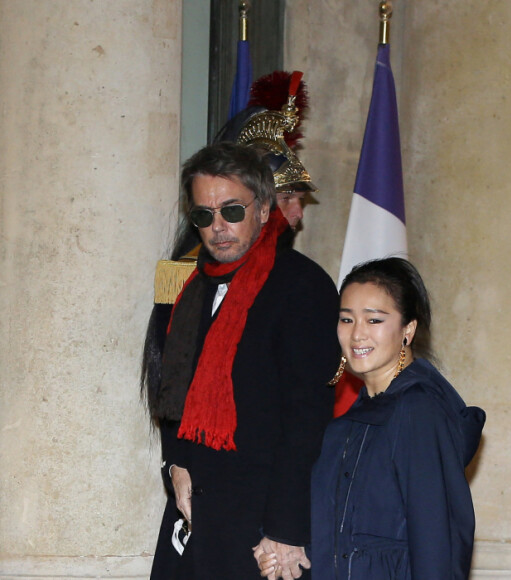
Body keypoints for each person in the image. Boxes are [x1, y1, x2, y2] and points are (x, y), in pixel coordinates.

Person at [147, 141, 340, 580]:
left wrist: (286, 530)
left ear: (265, 208)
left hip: (264, 526)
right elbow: (172, 396)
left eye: (232, 211)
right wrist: (174, 465)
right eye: (203, 215)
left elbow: (307, 419)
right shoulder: (191, 288)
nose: (218, 227)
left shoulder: (301, 287)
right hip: (195, 515)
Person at [261, 257, 486, 579]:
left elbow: (439, 541)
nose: (357, 335)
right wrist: (291, 553)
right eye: (346, 319)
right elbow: (345, 534)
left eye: (374, 320)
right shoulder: (347, 423)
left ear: (408, 329)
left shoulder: (419, 412)